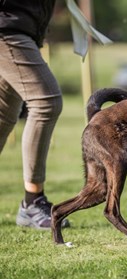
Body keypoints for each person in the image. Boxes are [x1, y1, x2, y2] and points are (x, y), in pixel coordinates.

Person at [0, 0, 69, 229]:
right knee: (46, 101)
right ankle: (32, 201)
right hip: (7, 27)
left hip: (21, 26)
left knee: (3, 114)